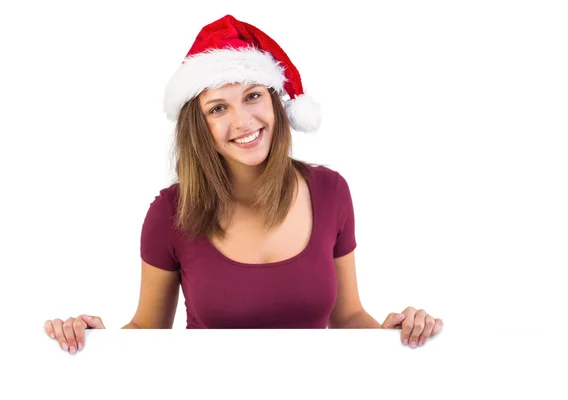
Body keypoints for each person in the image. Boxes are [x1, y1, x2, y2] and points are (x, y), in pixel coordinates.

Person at [44, 14, 443, 355]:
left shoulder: (330, 191)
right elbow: (148, 332)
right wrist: (93, 341)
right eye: (218, 108)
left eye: (253, 96)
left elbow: (348, 316)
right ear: (198, 126)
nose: (243, 121)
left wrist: (397, 336)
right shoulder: (170, 211)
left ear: (275, 103)